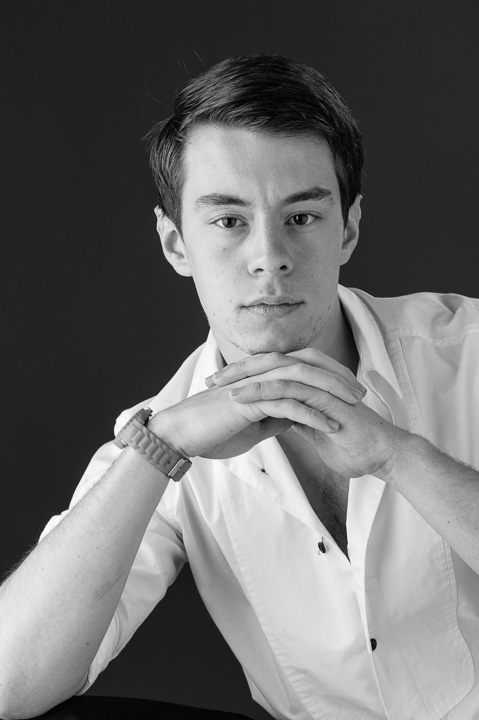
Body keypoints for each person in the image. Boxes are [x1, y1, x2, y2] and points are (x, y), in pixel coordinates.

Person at [1, 54, 479, 720]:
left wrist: (397, 456)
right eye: (228, 221)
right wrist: (161, 446)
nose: (269, 258)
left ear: (347, 228)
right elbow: (11, 683)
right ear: (176, 244)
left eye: (301, 217)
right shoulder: (162, 434)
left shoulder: (468, 350)